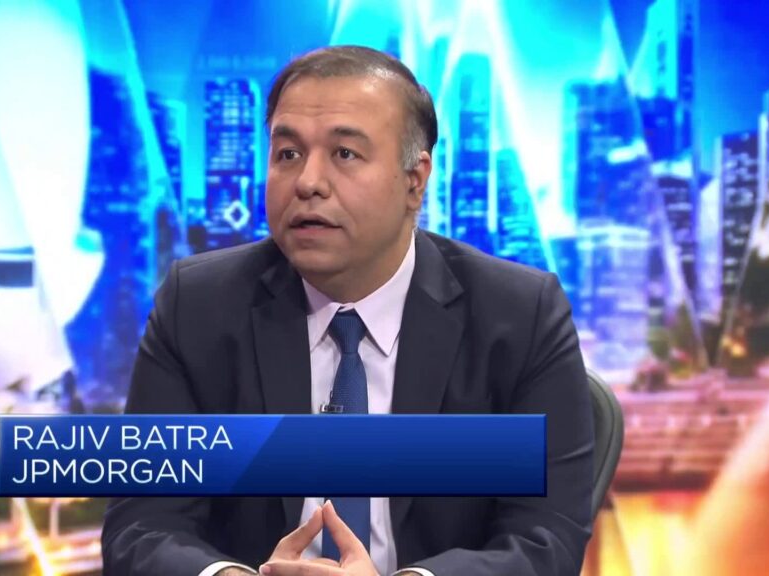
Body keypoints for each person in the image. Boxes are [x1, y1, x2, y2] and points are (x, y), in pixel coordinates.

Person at [101, 45, 594, 576]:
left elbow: (547, 541)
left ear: (414, 181)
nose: (308, 182)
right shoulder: (197, 306)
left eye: (344, 154)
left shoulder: (520, 315)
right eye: (288, 154)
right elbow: (140, 527)